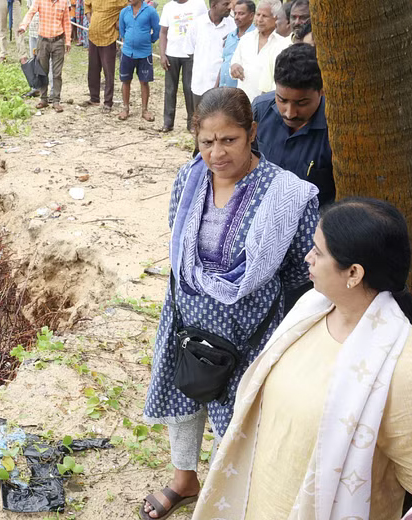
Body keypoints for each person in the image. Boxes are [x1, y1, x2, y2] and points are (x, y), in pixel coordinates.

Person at [140, 87, 319, 520]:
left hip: (248, 330)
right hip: (186, 317)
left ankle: (226, 492)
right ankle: (185, 480)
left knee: (235, 415)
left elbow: (299, 267)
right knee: (184, 396)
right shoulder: (189, 178)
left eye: (229, 140)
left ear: (252, 132)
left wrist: (247, 298)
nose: (217, 153)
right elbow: (179, 239)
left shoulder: (286, 195)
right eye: (207, 142)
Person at [193, 197, 412, 520]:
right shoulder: (311, 309)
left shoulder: (405, 368)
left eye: (318, 252)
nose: (308, 257)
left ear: (354, 273)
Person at [253, 44, 333, 206]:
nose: (290, 113)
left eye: (302, 103)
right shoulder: (260, 110)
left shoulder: (335, 127)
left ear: (322, 90)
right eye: (282, 100)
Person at [158, 0, 208, 133]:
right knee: (170, 89)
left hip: (191, 55)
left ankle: (192, 123)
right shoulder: (168, 7)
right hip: (172, 54)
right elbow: (163, 32)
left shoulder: (198, 4)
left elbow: (205, 27)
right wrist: (162, 54)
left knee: (189, 89)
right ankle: (168, 123)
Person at [229, 0, 290, 101]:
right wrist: (234, 67)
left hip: (268, 104)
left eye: (265, 16)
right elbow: (234, 63)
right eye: (258, 15)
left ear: (276, 18)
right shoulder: (246, 39)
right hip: (243, 102)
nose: (259, 19)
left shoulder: (283, 44)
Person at [18, 0, 72, 112]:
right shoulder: (40, 0)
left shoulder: (63, 2)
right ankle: (43, 99)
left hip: (58, 40)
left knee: (57, 73)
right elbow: (31, 13)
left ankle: (56, 101)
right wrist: (24, 26)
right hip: (43, 41)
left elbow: (67, 22)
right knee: (42, 71)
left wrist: (68, 41)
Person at [186, 0, 235, 112]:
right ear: (214, 5)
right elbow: (190, 51)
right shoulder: (197, 24)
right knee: (200, 119)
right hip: (200, 83)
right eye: (225, 4)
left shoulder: (233, 25)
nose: (230, 7)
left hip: (223, 85)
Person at [117, 0, 160, 121]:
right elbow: (122, 30)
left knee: (144, 82)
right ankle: (125, 109)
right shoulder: (124, 12)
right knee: (125, 81)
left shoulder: (150, 11)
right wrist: (130, 39)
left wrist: (149, 40)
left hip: (144, 53)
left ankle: (144, 110)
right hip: (127, 52)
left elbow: (157, 29)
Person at [84, 0, 128, 111]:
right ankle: (94, 98)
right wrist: (90, 18)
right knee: (93, 69)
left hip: (109, 38)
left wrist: (119, 22)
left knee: (108, 72)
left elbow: (129, 7)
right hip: (93, 36)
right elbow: (86, 4)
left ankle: (108, 102)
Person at [218, 0, 255, 88]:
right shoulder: (230, 36)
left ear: (251, 16)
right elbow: (225, 62)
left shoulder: (256, 38)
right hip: (223, 90)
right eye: (235, 13)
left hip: (242, 92)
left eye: (241, 14)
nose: (236, 17)